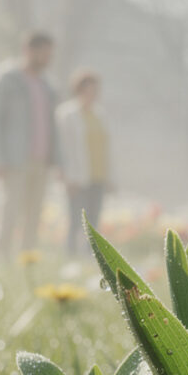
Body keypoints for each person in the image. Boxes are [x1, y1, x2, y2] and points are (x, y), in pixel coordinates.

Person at [0, 31, 62, 253]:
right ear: (28, 51)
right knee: (10, 211)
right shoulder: (7, 79)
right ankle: (1, 258)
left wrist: (57, 160)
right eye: (44, 54)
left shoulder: (48, 86)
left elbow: (53, 126)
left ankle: (27, 260)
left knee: (34, 214)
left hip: (42, 159)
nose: (48, 59)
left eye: (50, 54)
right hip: (14, 158)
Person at [56, 69, 113, 253]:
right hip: (77, 177)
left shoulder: (100, 115)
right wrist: (66, 176)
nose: (92, 94)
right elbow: (63, 147)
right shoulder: (67, 114)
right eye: (88, 90)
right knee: (76, 218)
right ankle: (70, 253)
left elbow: (107, 148)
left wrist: (110, 177)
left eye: (95, 90)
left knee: (94, 219)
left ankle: (91, 255)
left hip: (98, 175)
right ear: (78, 90)